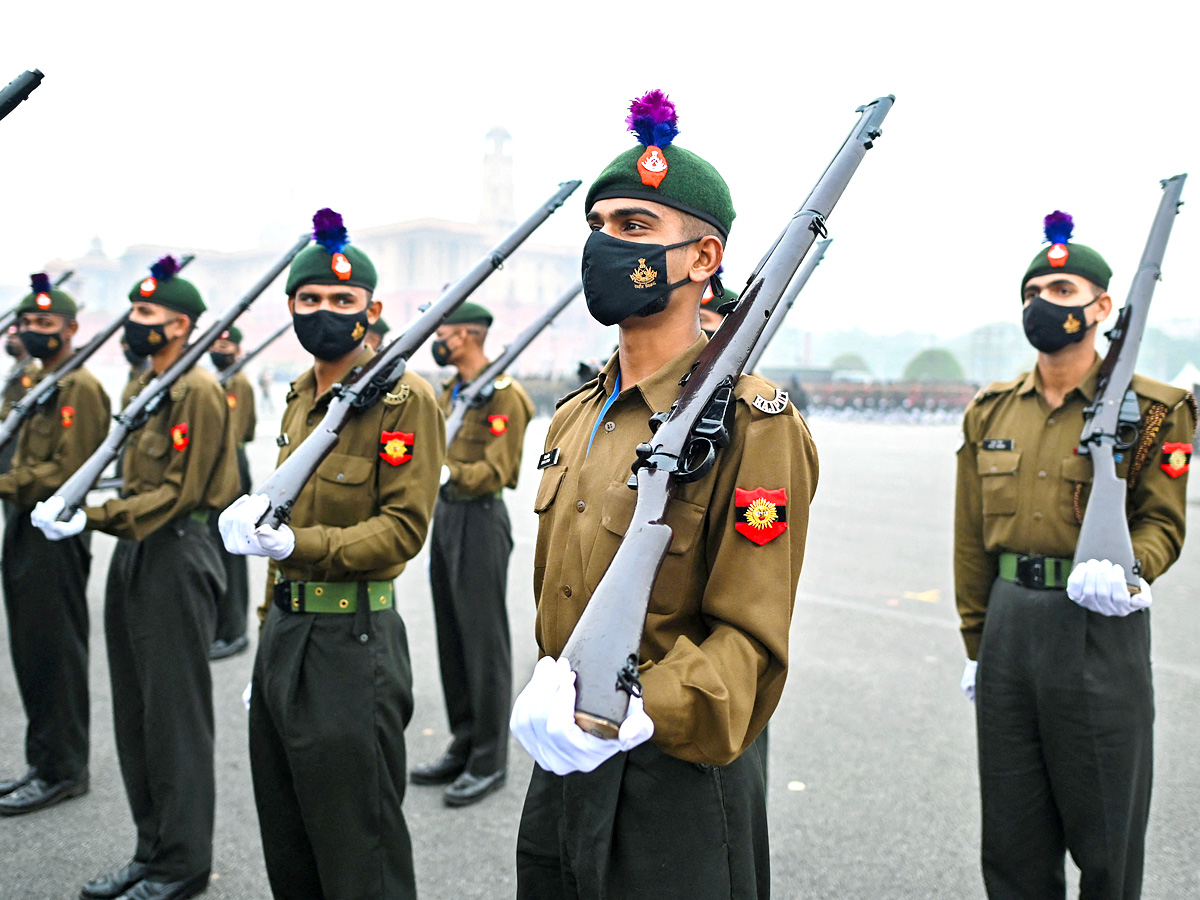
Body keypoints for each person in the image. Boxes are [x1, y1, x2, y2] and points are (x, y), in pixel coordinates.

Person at [509, 90, 818, 899]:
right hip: (565, 763)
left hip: (676, 779)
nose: (607, 245)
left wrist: (642, 706)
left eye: (635, 228)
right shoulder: (578, 415)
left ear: (704, 258)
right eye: (600, 226)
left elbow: (749, 643)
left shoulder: (754, 424)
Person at [954, 211, 1196, 900]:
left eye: (1063, 290)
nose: (1044, 303)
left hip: (1098, 626)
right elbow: (970, 538)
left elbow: (1162, 523)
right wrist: (977, 643)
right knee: (1012, 843)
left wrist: (1128, 571)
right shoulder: (991, 411)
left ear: (1102, 307)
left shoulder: (1153, 410)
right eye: (1034, 291)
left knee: (1106, 842)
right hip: (1009, 629)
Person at [218, 209, 443, 900]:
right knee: (289, 837)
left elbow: (402, 530)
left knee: (358, 852)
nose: (324, 312)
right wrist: (269, 637)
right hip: (286, 634)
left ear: (371, 310)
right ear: (290, 308)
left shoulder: (404, 399)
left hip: (355, 640)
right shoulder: (298, 398)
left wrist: (298, 544)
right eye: (310, 300)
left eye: (342, 301)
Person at [33, 255, 240, 900]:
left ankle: (183, 863)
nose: (135, 323)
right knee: (137, 714)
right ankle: (150, 849)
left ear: (180, 325)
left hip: (178, 552)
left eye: (148, 314)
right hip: (137, 553)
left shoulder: (197, 391)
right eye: (134, 312)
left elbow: (178, 494)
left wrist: (91, 514)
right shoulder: (142, 385)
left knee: (174, 717)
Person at [410, 302, 535, 806]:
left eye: (443, 332)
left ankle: (489, 758)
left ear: (466, 336)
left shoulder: (505, 396)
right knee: (452, 635)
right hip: (445, 517)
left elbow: (498, 470)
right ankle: (463, 741)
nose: (437, 341)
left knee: (483, 642)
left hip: (481, 519)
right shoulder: (448, 392)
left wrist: (447, 474)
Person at [0, 275, 110, 815]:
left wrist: (4, 484)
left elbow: (71, 471)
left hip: (56, 532)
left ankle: (65, 769)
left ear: (71, 329)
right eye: (29, 323)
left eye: (47, 324)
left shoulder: (80, 389)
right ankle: (42, 761)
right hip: (23, 525)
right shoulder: (33, 382)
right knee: (30, 651)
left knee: (55, 651)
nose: (35, 331)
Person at [207, 326, 256, 659]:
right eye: (216, 343)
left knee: (230, 553)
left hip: (230, 466)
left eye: (226, 344)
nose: (220, 349)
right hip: (215, 465)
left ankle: (234, 630)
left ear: (238, 350)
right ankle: (217, 624)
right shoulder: (219, 380)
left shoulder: (237, 383)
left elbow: (240, 431)